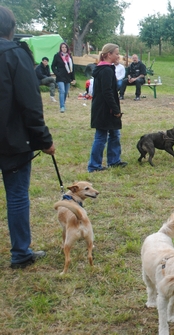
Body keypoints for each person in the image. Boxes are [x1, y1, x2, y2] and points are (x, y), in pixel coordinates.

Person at [0, 6, 56, 269]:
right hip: (11, 142)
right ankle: (21, 253)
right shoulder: (16, 55)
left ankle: (22, 252)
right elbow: (31, 104)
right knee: (18, 195)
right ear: (11, 28)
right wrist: (45, 140)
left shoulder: (15, 54)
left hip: (12, 141)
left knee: (18, 195)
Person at [88, 43, 127, 172]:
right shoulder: (105, 70)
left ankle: (114, 161)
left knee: (115, 134)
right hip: (104, 109)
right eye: (116, 53)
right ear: (109, 54)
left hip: (106, 108)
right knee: (101, 137)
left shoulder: (108, 68)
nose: (118, 56)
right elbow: (107, 92)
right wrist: (115, 110)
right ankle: (94, 166)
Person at [51, 42, 75, 113]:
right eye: (62, 47)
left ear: (67, 48)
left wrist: (73, 78)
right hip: (60, 77)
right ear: (60, 48)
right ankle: (62, 106)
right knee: (62, 91)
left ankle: (63, 104)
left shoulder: (69, 57)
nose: (64, 49)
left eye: (65, 47)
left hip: (67, 77)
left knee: (66, 92)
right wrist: (57, 73)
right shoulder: (57, 56)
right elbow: (53, 66)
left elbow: (72, 68)